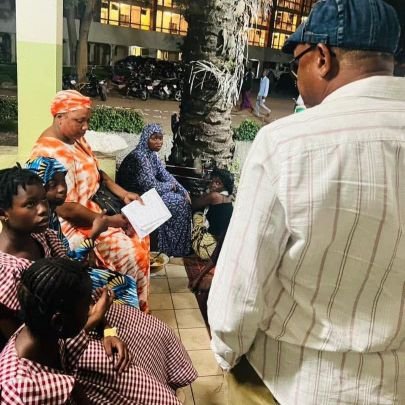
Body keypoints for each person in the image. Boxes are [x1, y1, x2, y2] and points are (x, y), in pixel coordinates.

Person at [207, 0, 404, 404]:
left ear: (323, 58)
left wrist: (227, 354)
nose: (296, 77)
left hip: (288, 382)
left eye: (297, 63)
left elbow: (239, 291)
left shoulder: (286, 143)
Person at [0, 166, 197, 403]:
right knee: (129, 369)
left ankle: (164, 384)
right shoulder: (5, 275)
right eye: (30, 204)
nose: (43, 209)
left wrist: (106, 329)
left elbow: (74, 280)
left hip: (79, 319)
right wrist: (92, 322)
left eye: (43, 199)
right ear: (3, 213)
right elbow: (36, 341)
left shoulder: (43, 237)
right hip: (64, 344)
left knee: (155, 331)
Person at [29, 90, 151, 312]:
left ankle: (134, 306)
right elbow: (65, 208)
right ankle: (124, 312)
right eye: (80, 121)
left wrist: (122, 193)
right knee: (132, 254)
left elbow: (97, 172)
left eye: (87, 120)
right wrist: (111, 222)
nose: (85, 126)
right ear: (60, 117)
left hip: (95, 210)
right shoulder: (47, 153)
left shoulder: (75, 139)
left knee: (141, 231)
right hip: (72, 225)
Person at [25, 157, 139, 308]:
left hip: (66, 273)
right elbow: (63, 269)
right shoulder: (39, 226)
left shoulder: (51, 215)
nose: (62, 188)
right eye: (52, 184)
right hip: (59, 288)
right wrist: (93, 235)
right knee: (122, 283)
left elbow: (64, 257)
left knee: (125, 282)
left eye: (63, 181)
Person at [117, 123, 192, 257]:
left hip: (147, 194)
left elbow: (164, 174)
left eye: (160, 138)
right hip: (134, 198)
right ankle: (169, 248)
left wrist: (183, 190)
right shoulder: (139, 157)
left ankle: (174, 248)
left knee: (180, 198)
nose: (159, 142)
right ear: (146, 138)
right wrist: (171, 186)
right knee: (179, 202)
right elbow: (151, 186)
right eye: (154, 138)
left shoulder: (151, 155)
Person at [191, 168, 234, 260]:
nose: (213, 185)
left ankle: (189, 246)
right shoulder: (230, 198)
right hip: (221, 247)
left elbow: (194, 204)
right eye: (212, 181)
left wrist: (206, 192)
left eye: (218, 183)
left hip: (208, 248)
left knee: (197, 214)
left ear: (225, 186)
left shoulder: (214, 196)